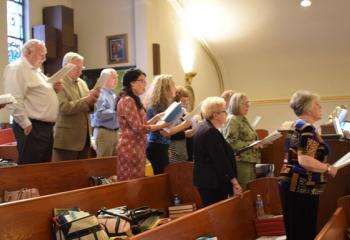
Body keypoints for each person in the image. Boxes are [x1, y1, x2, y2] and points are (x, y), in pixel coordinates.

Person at [279, 90, 337, 240]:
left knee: (297, 231)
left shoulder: (298, 125)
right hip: (301, 185)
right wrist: (328, 168)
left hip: (293, 183)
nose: (321, 107)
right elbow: (304, 160)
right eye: (318, 105)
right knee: (302, 232)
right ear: (309, 108)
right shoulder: (307, 129)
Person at [3, 39, 61, 164]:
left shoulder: (36, 71)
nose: (44, 59)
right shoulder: (17, 68)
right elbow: (13, 98)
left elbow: (39, 94)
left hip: (45, 127)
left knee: (43, 168)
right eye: (42, 55)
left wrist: (53, 89)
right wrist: (25, 123)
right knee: (31, 168)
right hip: (32, 127)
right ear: (28, 52)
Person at [116, 68, 169, 181]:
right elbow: (138, 128)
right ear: (132, 83)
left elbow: (141, 125)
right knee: (130, 183)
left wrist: (155, 118)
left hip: (137, 147)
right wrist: (162, 125)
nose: (145, 84)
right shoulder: (127, 100)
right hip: (130, 148)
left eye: (145, 81)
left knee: (137, 182)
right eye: (142, 81)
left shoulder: (134, 100)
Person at [193, 96, 242, 206]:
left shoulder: (203, 127)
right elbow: (220, 161)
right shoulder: (210, 132)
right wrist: (234, 182)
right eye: (224, 111)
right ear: (215, 115)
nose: (227, 114)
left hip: (208, 182)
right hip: (212, 183)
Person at [53, 52, 100, 161]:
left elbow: (88, 106)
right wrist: (86, 101)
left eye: (81, 68)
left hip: (84, 138)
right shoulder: (58, 83)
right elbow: (63, 108)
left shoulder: (82, 83)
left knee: (81, 174)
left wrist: (93, 101)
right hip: (67, 140)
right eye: (76, 68)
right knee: (66, 174)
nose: (80, 71)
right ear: (65, 66)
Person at [144, 74, 191, 174]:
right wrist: (184, 126)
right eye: (173, 85)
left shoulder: (161, 104)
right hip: (157, 147)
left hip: (160, 146)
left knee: (163, 177)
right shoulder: (158, 105)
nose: (175, 88)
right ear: (166, 88)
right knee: (161, 179)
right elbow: (163, 132)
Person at [222, 92, 261, 189]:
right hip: (241, 162)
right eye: (245, 104)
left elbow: (250, 138)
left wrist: (261, 143)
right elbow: (229, 142)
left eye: (249, 103)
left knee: (250, 190)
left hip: (250, 161)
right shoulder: (232, 120)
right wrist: (252, 145)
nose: (248, 106)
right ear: (236, 104)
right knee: (244, 190)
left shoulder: (242, 119)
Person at [91, 68, 119, 157]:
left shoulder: (113, 94)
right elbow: (100, 115)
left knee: (115, 165)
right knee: (104, 165)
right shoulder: (99, 93)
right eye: (113, 78)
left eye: (117, 77)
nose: (116, 80)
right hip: (104, 132)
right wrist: (118, 112)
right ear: (104, 78)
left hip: (115, 132)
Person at [169, 86, 193, 162]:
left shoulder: (186, 113)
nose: (186, 103)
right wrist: (184, 134)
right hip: (176, 152)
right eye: (183, 101)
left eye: (187, 100)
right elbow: (168, 133)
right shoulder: (172, 114)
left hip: (187, 151)